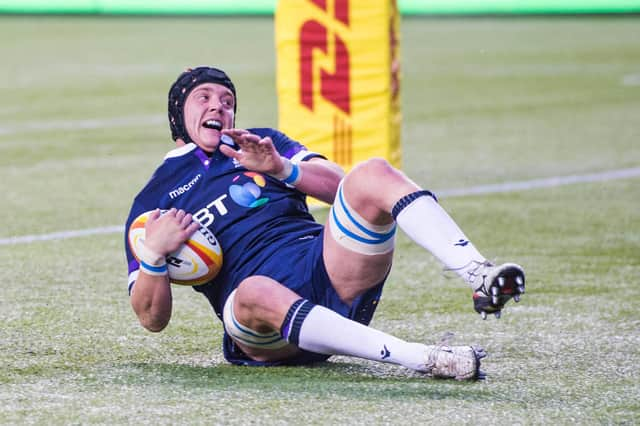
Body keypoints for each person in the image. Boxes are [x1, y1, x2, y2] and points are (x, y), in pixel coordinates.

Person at [124, 66, 525, 380]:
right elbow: (151, 319)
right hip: (261, 325)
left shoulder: (259, 142)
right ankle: (426, 358)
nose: (218, 106)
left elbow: (342, 187)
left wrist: (281, 167)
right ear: (179, 113)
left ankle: (479, 275)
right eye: (204, 97)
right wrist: (154, 255)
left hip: (327, 267)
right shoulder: (152, 203)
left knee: (373, 172)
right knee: (253, 290)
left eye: (227, 100)